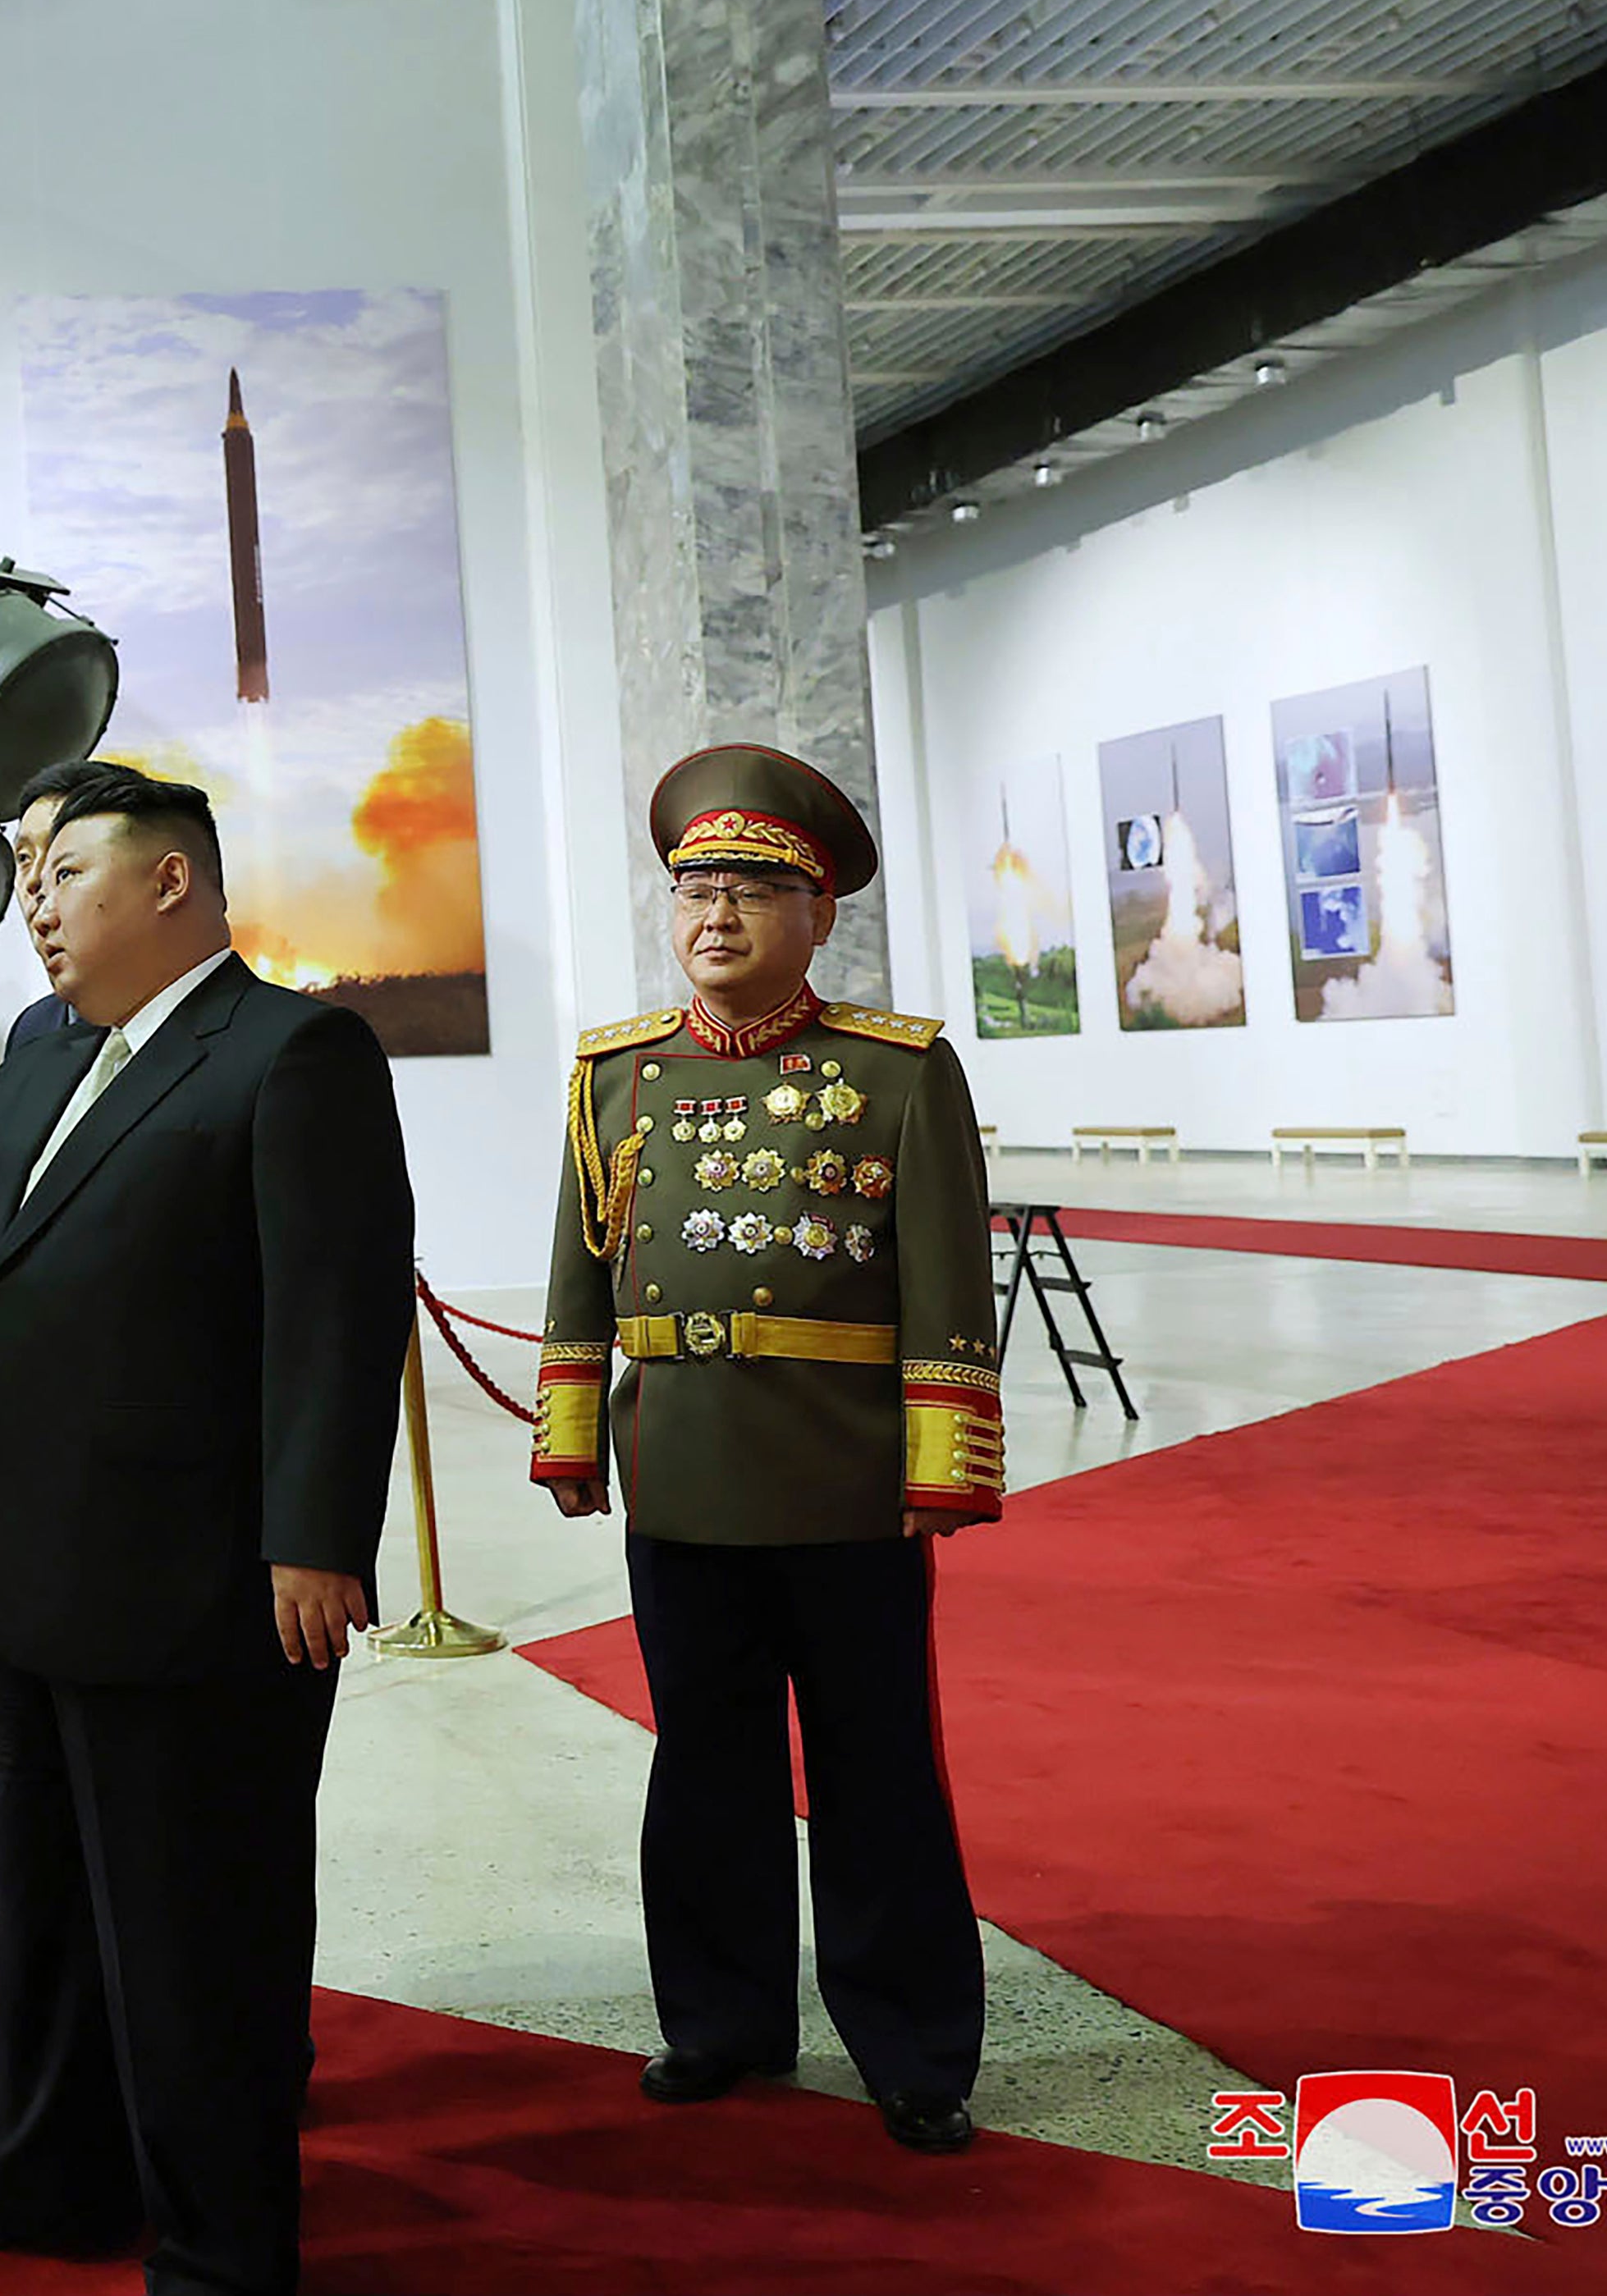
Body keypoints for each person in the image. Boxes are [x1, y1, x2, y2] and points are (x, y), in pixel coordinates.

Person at [0, 763, 411, 2296]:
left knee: (202, 1931)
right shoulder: (51, 1040)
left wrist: (315, 1534)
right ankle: (52, 2174)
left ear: (171, 884)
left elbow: (338, 1312)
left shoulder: (289, 1050)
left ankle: (219, 2236)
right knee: (50, 1909)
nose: (37, 906)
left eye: (61, 874)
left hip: (201, 1580)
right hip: (35, 1558)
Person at [526, 743, 1001, 2157]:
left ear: (818, 914)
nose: (714, 913)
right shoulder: (615, 1075)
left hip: (844, 1484)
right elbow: (577, 1271)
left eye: (750, 888)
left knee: (876, 1771)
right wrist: (570, 1437)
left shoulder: (896, 1072)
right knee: (708, 1768)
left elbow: (945, 1279)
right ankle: (722, 2019)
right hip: (680, 1480)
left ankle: (912, 2042)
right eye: (693, 888)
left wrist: (944, 1462)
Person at [0, 759, 126, 1054]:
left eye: (63, 858)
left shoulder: (244, 1037)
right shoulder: (32, 1030)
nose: (34, 880)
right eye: (24, 857)